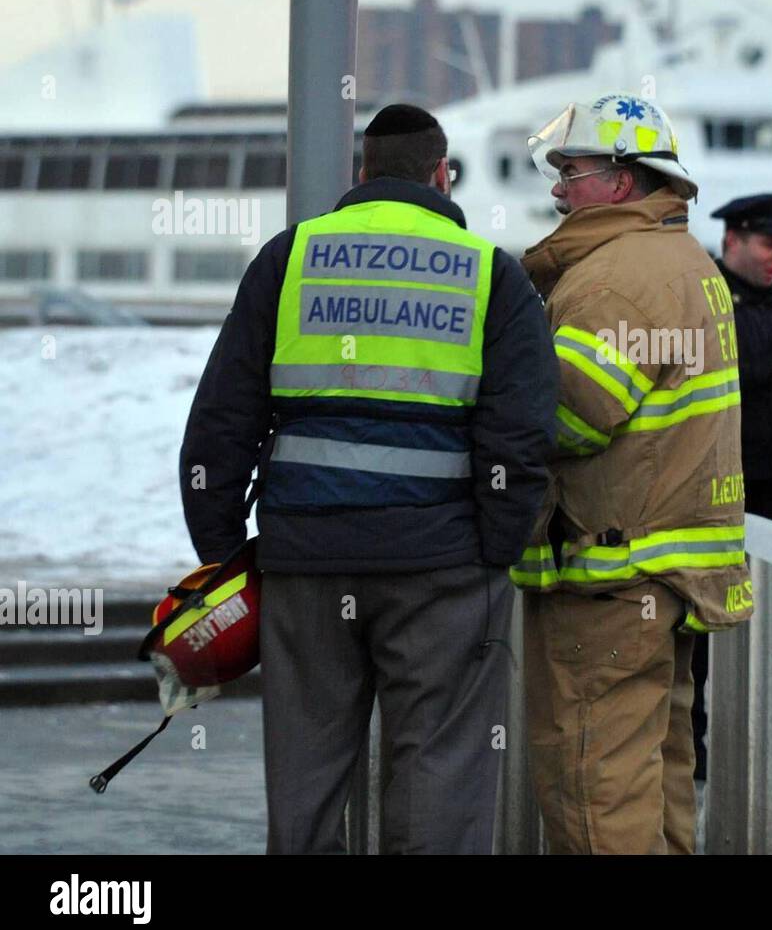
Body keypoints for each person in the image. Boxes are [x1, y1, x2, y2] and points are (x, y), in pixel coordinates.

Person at [179, 103, 557, 854]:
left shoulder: (289, 259)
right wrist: (493, 550)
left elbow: (222, 421)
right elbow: (518, 440)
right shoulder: (491, 274)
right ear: (440, 175)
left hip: (306, 566)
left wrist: (226, 553)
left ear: (363, 174)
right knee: (438, 774)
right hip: (440, 572)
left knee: (305, 775)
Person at [511, 93, 752, 854]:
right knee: (660, 775)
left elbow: (571, 417)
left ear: (621, 180)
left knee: (593, 783)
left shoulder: (614, 279)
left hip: (612, 575)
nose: (557, 188)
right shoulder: (685, 261)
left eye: (571, 170)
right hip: (667, 572)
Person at [690, 192, 772, 779]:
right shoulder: (704, 299)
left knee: (766, 626)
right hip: (712, 492)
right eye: (767, 242)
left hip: (770, 492)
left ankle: (757, 738)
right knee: (705, 631)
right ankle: (695, 741)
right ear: (733, 239)